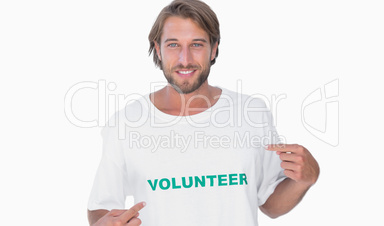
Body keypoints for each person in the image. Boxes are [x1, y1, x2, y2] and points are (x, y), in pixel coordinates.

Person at [87, 0, 320, 225]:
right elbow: (101, 208)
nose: (184, 59)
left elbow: (270, 204)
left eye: (197, 44)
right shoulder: (125, 124)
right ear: (158, 50)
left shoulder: (252, 113)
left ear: (213, 49)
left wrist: (306, 179)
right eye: (173, 45)